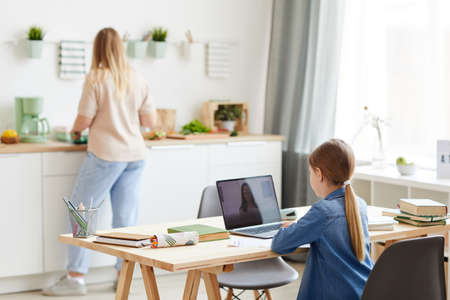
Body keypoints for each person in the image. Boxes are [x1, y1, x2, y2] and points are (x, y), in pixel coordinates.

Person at [43, 28, 158, 296]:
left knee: (81, 212)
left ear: (97, 49)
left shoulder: (96, 77)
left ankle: (75, 278)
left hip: (106, 155)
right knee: (126, 220)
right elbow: (150, 122)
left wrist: (74, 131)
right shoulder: (138, 78)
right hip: (135, 156)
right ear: (121, 48)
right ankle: (123, 276)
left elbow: (84, 119)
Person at [271, 139, 374, 300]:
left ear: (319, 174)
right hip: (364, 291)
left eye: (311, 173)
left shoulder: (322, 211)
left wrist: (286, 228)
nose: (311, 177)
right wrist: (301, 226)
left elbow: (280, 244)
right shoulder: (360, 205)